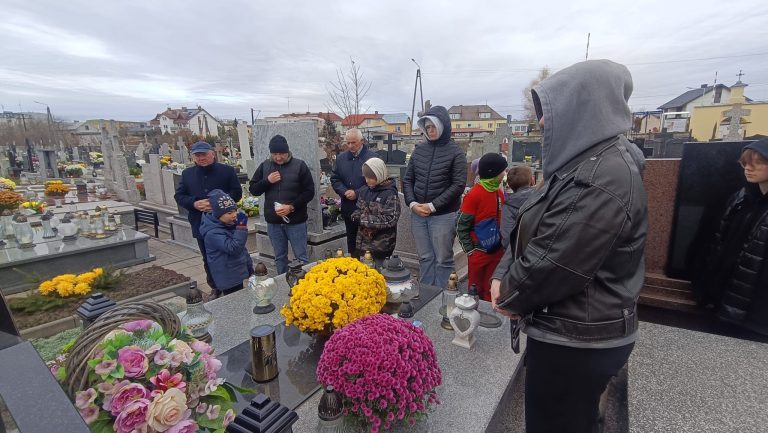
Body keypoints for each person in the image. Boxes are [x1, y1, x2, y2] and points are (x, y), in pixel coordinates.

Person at [490, 60, 648, 433]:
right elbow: (533, 219)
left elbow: (555, 263)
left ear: (584, 106)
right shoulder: (583, 164)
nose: (542, 123)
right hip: (574, 328)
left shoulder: (600, 178)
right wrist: (503, 274)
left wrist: (510, 295)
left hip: (578, 340)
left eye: (550, 111)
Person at [691, 139, 768, 336]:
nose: (748, 169)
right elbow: (720, 244)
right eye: (745, 163)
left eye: (757, 163)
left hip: (754, 314)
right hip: (722, 298)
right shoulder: (741, 198)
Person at [404, 105, 467, 288]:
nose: (430, 131)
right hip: (418, 214)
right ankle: (425, 296)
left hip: (443, 215)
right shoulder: (419, 151)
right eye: (428, 127)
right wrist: (412, 203)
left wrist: (433, 206)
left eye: (434, 126)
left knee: (443, 260)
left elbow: (458, 185)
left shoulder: (456, 152)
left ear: (443, 126)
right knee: (425, 258)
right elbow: (408, 180)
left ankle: (443, 298)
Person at [174, 141, 242, 292]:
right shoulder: (187, 174)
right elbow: (179, 196)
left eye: (204, 154)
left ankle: (234, 284)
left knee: (228, 255)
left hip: (225, 224)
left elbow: (237, 193)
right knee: (208, 257)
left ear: (212, 154)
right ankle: (215, 286)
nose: (201, 158)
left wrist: (218, 204)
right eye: (197, 155)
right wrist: (195, 203)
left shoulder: (227, 171)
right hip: (200, 223)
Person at [249, 134, 315, 274]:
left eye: (282, 154)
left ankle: (303, 287)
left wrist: (291, 207)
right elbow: (253, 190)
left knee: (301, 257)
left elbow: (309, 192)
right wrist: (267, 181)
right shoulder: (265, 166)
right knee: (279, 257)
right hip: (274, 223)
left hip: (296, 221)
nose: (278, 157)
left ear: (288, 152)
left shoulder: (299, 165)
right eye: (275, 154)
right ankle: (283, 284)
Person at [456, 153, 507, 301]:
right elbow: (461, 224)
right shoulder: (474, 195)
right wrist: (470, 250)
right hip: (478, 251)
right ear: (494, 172)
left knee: (491, 288)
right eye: (502, 170)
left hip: (496, 250)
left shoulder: (498, 192)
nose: (505, 173)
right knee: (475, 288)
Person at [199, 189, 254, 298]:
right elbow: (234, 248)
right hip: (228, 277)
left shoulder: (229, 224)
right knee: (233, 303)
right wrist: (241, 228)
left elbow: (242, 250)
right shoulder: (212, 232)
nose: (234, 215)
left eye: (235, 211)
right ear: (218, 214)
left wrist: (249, 268)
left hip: (238, 272)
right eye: (229, 213)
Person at [331, 128, 375, 257]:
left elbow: (376, 182)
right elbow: (335, 178)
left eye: (353, 143)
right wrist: (344, 192)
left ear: (361, 141)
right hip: (349, 208)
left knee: (369, 244)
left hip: (369, 209)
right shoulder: (341, 158)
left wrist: (357, 193)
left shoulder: (372, 158)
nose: (350, 146)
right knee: (352, 243)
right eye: (348, 143)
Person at [351, 158, 400, 267]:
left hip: (381, 246)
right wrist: (355, 215)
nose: (367, 180)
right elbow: (358, 209)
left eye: (371, 177)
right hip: (363, 244)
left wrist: (363, 219)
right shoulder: (364, 191)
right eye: (365, 177)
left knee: (379, 274)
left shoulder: (389, 193)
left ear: (379, 174)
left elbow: (390, 219)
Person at [500, 165, 535, 250]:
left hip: (519, 255)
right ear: (532, 180)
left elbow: (507, 239)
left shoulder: (508, 206)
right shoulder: (542, 196)